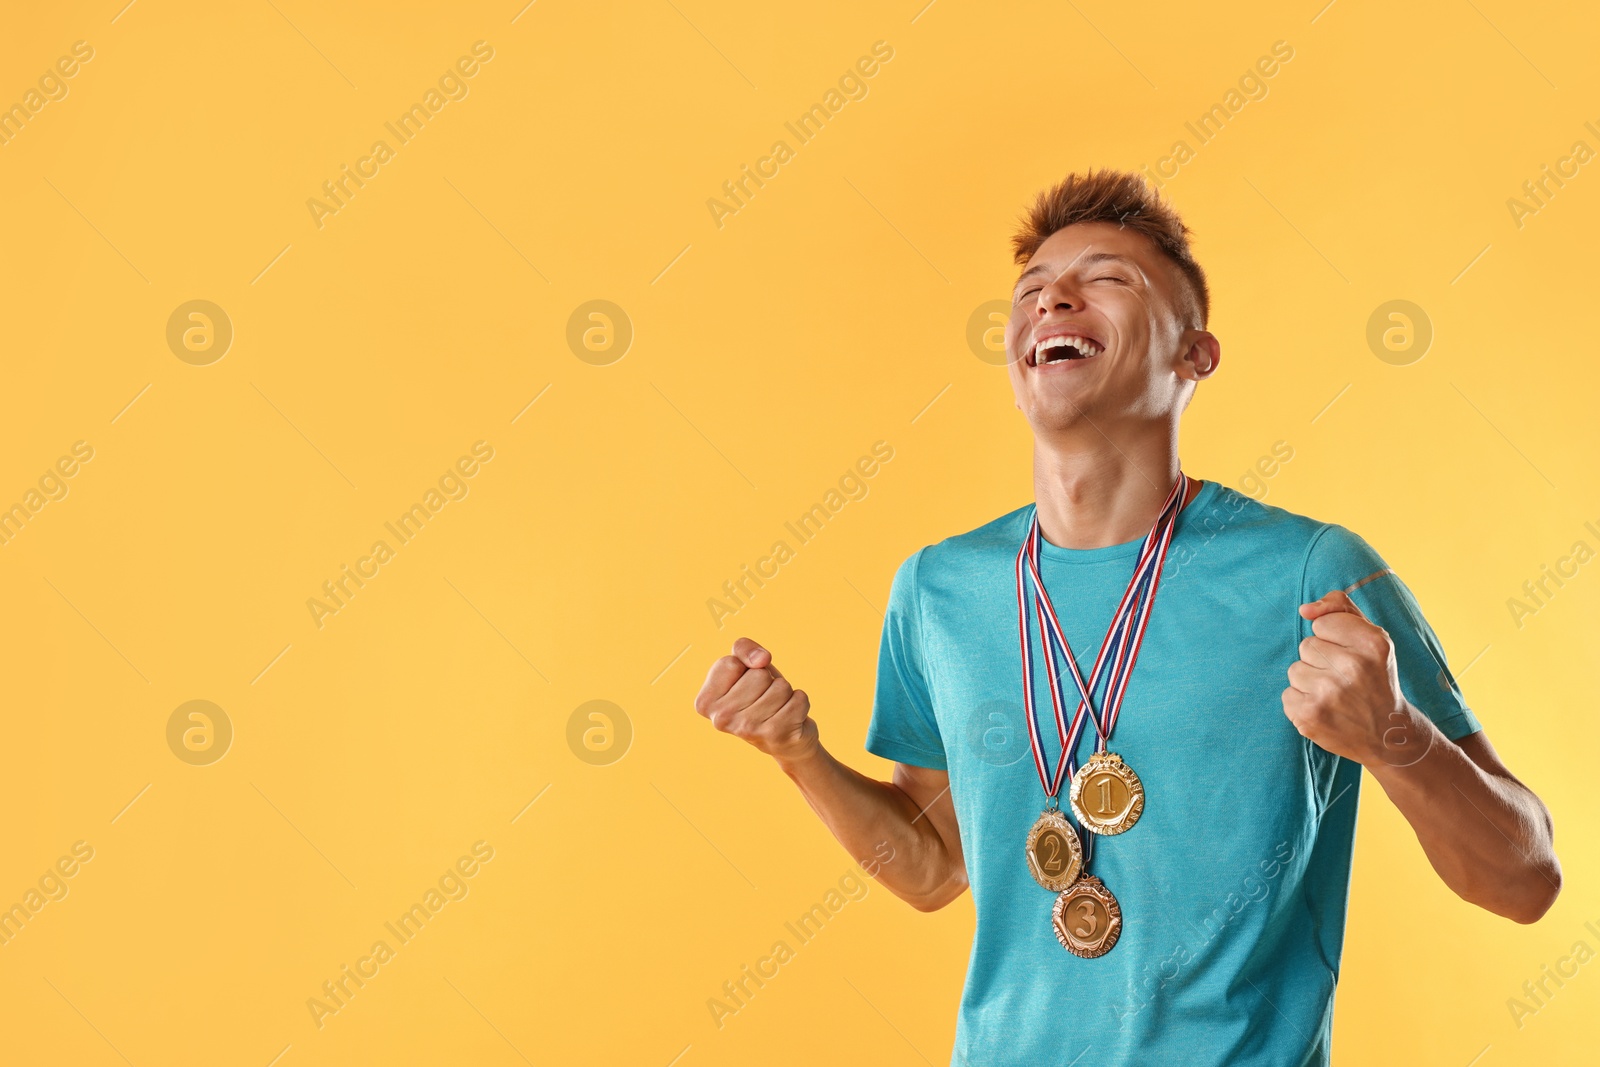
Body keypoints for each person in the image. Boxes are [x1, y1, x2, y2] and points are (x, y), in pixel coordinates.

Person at [691, 168, 1559, 1065]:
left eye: (1106, 279)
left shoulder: (1314, 573)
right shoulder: (937, 589)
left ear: (1196, 354)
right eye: (1031, 292)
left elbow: (1526, 880)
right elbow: (934, 866)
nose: (1053, 299)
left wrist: (1396, 736)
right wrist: (799, 755)